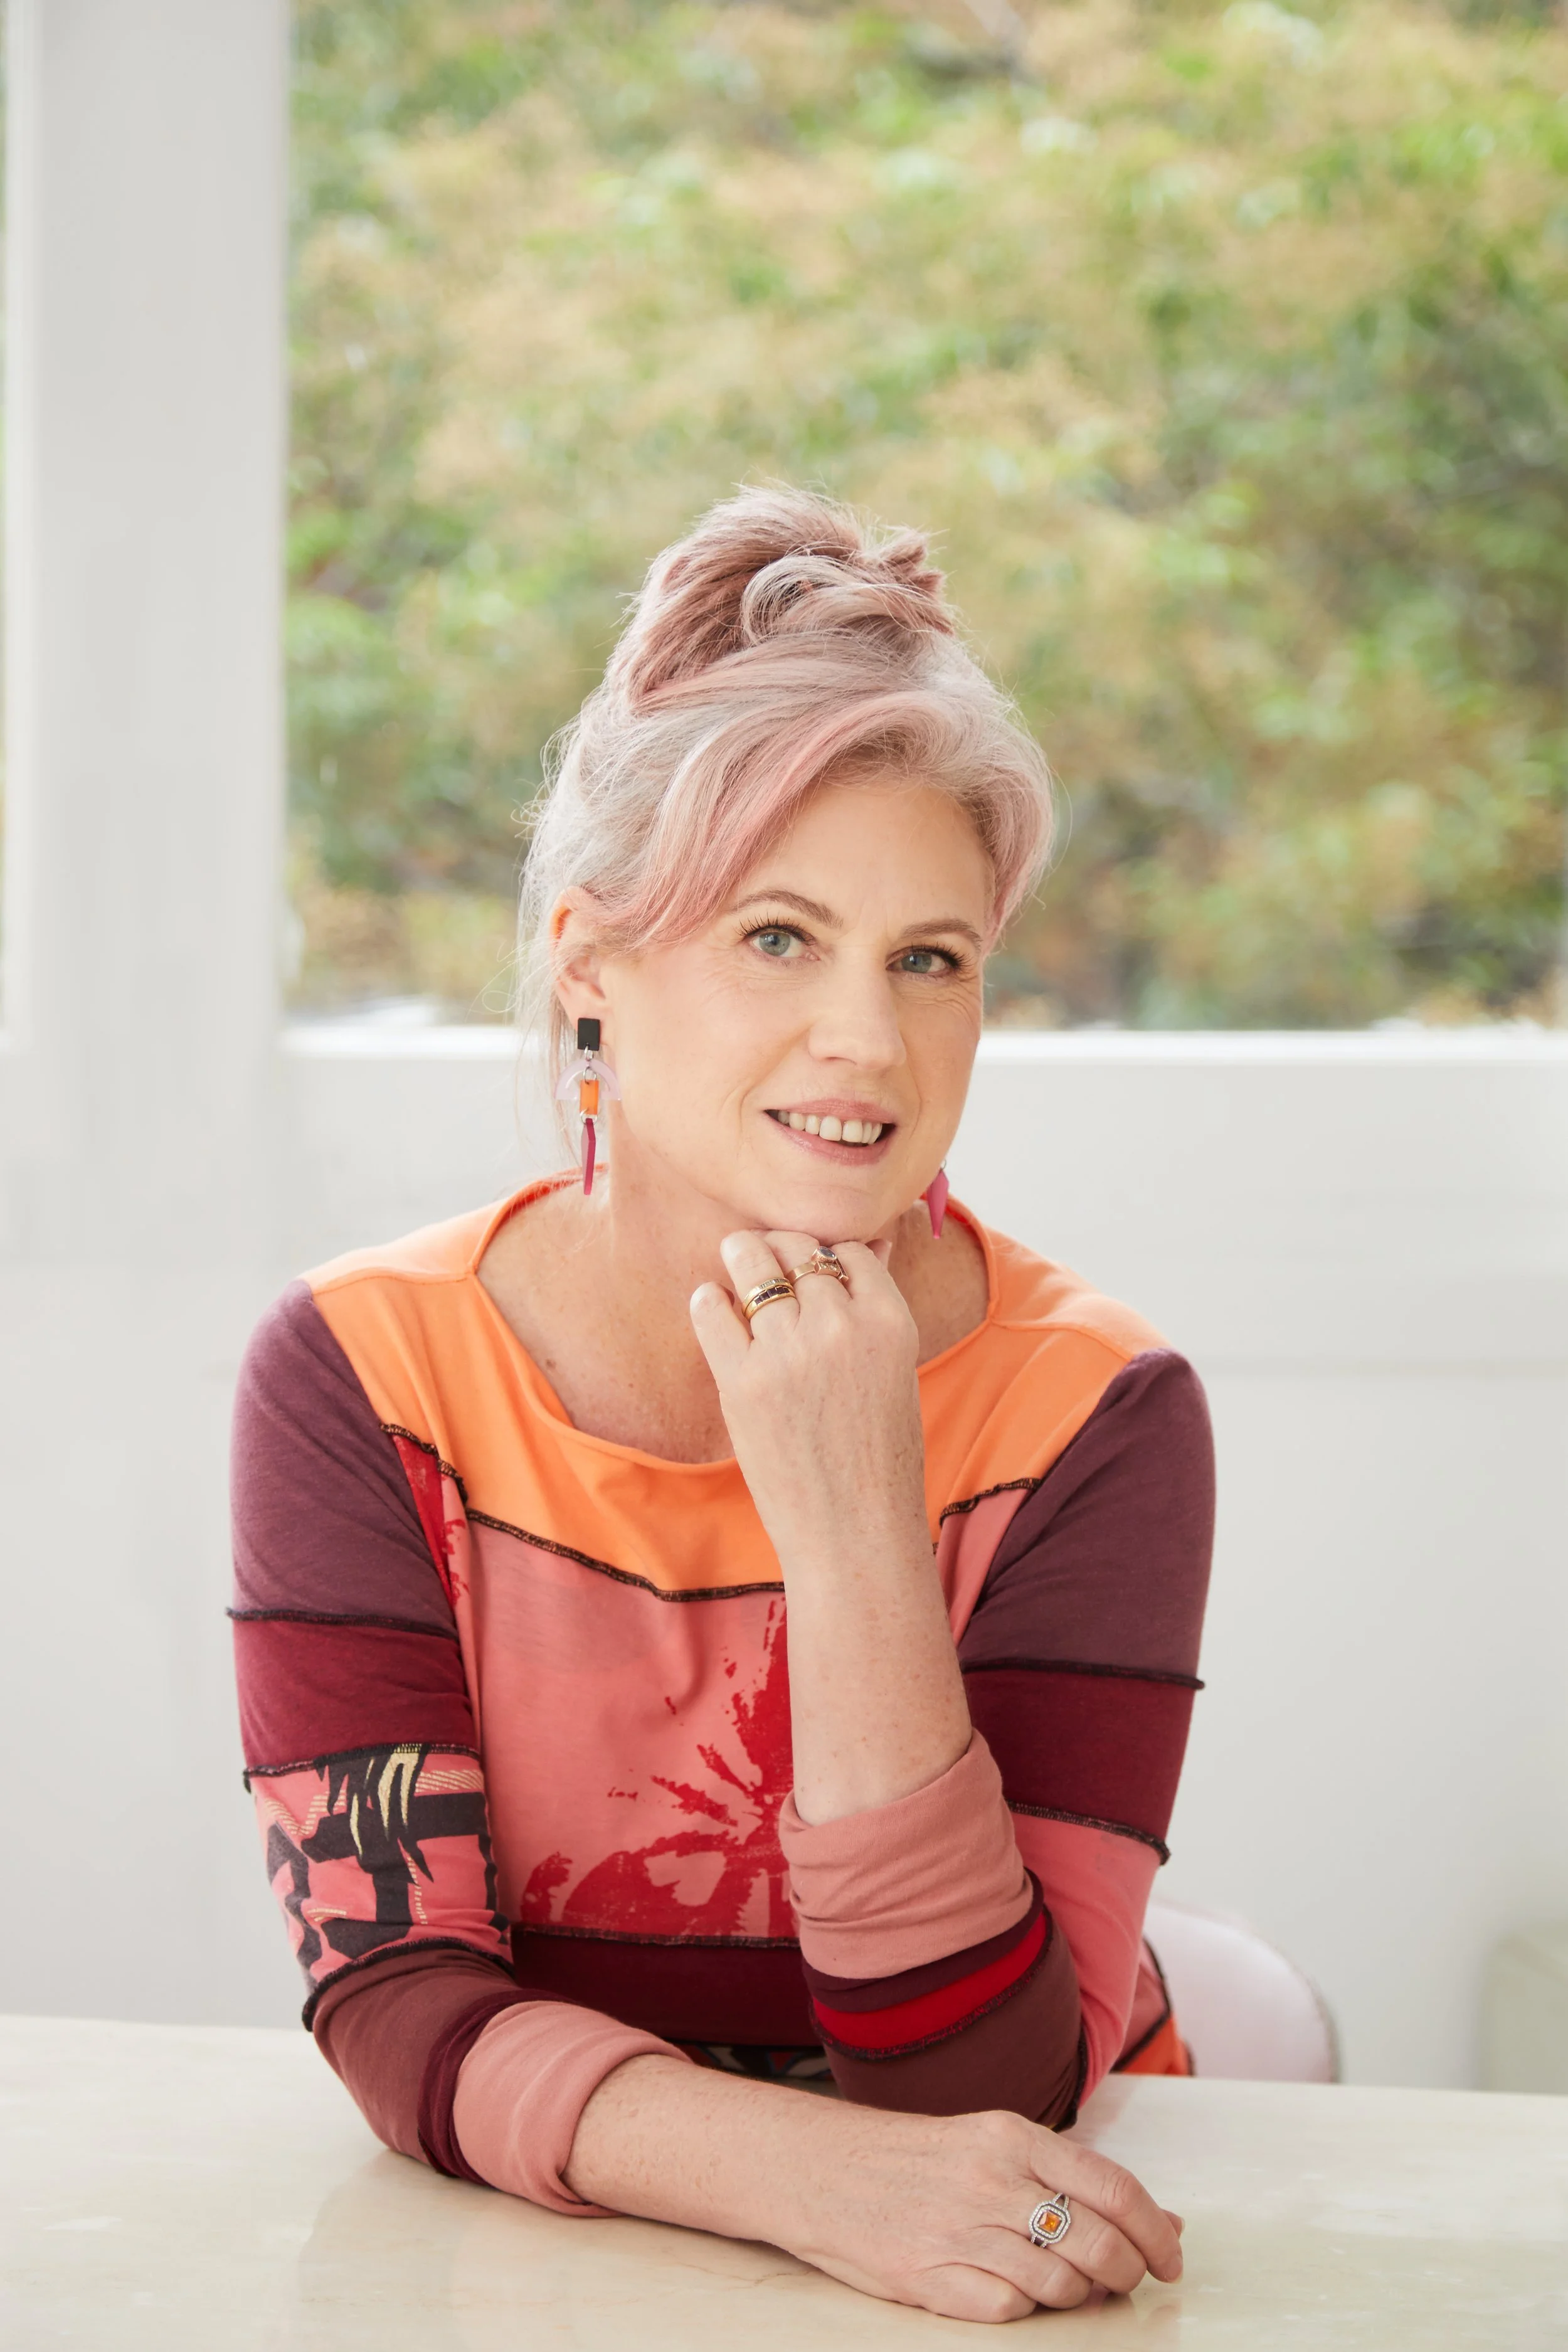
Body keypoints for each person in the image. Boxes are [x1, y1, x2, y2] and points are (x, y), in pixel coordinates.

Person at [231, 489, 1213, 2323]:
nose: (869, 1037)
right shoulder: (368, 1375)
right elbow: (391, 2000)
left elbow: (985, 2094)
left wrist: (852, 1521)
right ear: (589, 967)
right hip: (540, 2270)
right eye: (779, 936)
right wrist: (797, 2169)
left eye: (931, 956)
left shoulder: (1096, 1408)